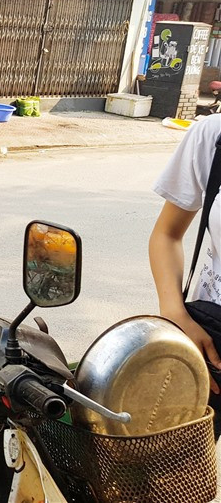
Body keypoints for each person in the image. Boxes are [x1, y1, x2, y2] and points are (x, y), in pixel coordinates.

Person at [149, 113, 221, 437]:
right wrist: (175, 313)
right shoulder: (214, 136)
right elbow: (167, 234)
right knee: (174, 478)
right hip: (211, 345)